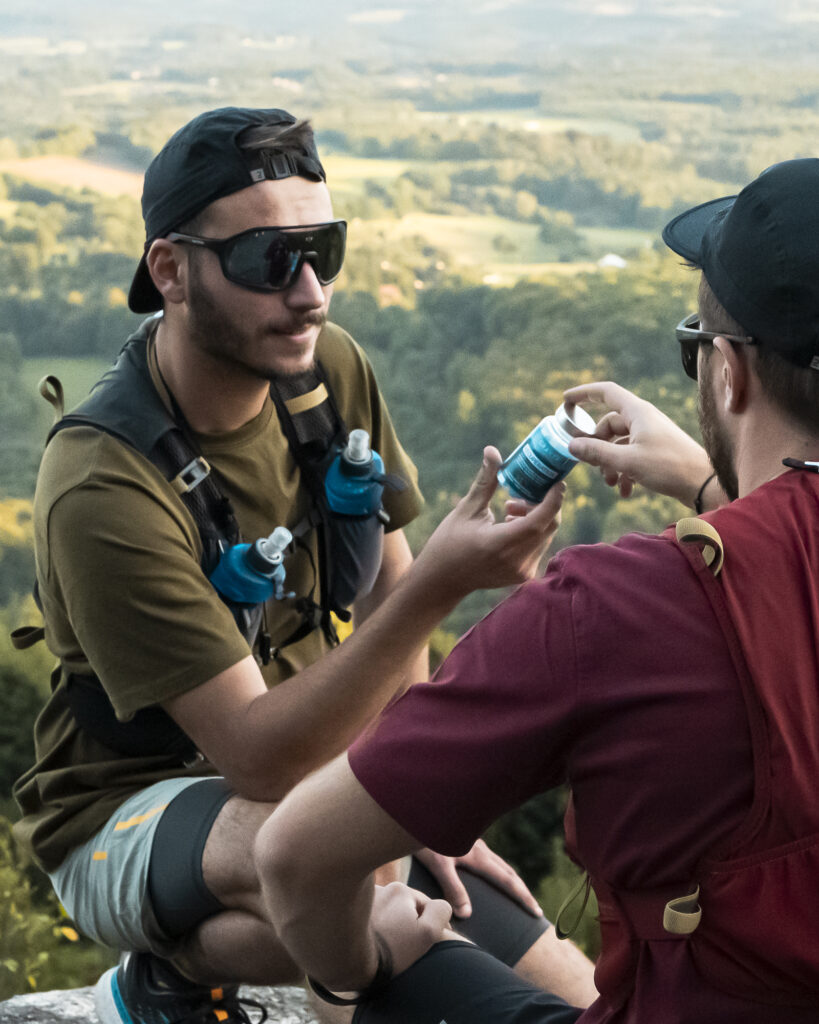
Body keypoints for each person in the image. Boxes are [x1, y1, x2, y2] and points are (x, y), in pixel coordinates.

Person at [11, 106, 596, 1024]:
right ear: (170, 270)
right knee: (343, 871)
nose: (311, 292)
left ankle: (184, 972)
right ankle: (182, 972)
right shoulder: (104, 482)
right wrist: (443, 588)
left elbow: (389, 589)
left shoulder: (327, 374)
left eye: (323, 250)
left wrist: (421, 801)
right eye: (268, 259)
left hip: (320, 783)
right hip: (126, 812)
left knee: (578, 991)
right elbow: (258, 756)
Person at [258, 157, 819, 1023]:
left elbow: (295, 859)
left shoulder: (616, 607)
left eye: (694, 349)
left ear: (727, 372)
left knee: (395, 952)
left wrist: (362, 967)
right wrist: (708, 487)